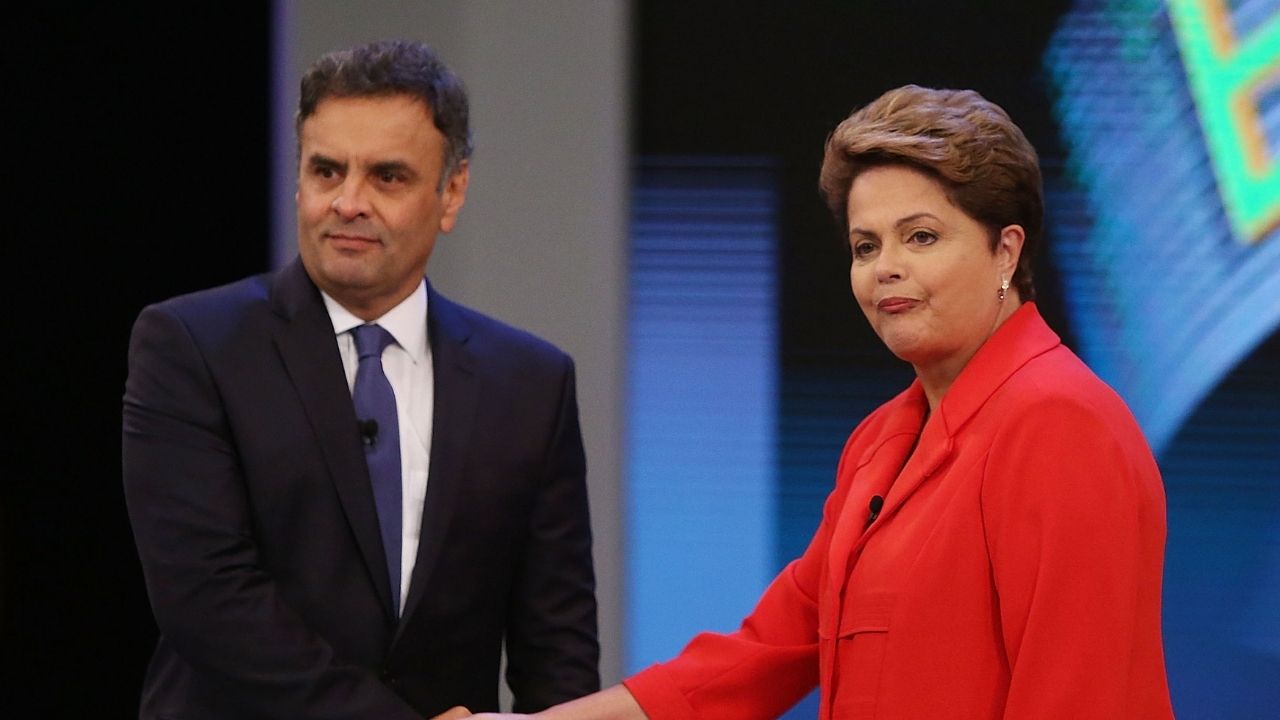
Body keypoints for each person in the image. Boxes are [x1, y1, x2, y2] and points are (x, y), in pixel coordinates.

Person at [469, 85, 1174, 719]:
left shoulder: (1060, 422)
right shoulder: (878, 443)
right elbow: (764, 653)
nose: (884, 268)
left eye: (920, 237)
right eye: (865, 246)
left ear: (1007, 252)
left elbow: (1084, 698)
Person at [122, 40, 599, 719]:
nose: (348, 202)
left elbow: (557, 645)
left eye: (388, 177)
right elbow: (207, 599)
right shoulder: (192, 347)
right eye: (326, 171)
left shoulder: (530, 383)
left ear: (451, 191)